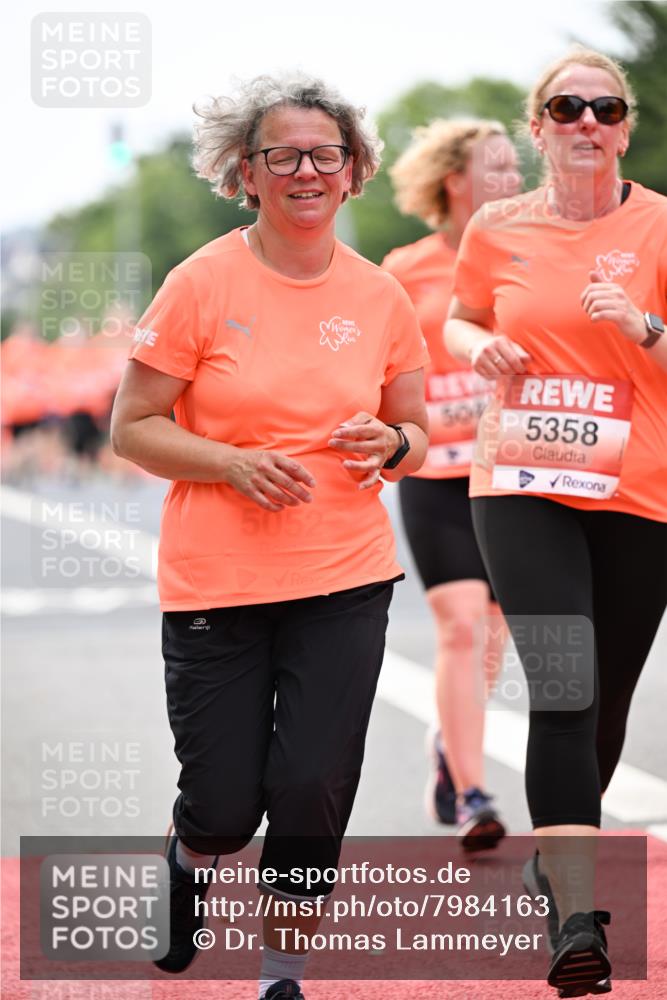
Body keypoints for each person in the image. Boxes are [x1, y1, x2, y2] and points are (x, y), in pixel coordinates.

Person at [110, 73, 428, 1000]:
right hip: (218, 585)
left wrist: (394, 443)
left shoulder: (380, 297)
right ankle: (190, 855)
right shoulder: (201, 282)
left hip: (345, 573)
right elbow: (132, 426)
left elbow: (413, 432)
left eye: (325, 154)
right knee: (222, 804)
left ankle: (279, 971)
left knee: (312, 788)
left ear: (353, 171)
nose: (305, 170)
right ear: (245, 173)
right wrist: (232, 462)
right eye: (281, 155)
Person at [445, 46, 667, 998]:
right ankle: (573, 916)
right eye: (566, 107)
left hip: (637, 492)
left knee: (603, 707)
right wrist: (478, 343)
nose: (587, 123)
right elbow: (455, 317)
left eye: (604, 109)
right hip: (522, 480)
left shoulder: (660, 224)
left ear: (624, 127)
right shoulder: (496, 226)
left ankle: (556, 858)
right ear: (536, 127)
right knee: (565, 687)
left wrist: (642, 328)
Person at [382, 119, 521, 849]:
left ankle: (449, 748)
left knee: (492, 637)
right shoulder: (405, 270)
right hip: (435, 474)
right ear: (452, 181)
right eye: (494, 167)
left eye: (514, 168)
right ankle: (472, 793)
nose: (511, 179)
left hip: (515, 470)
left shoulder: (534, 255)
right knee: (461, 625)